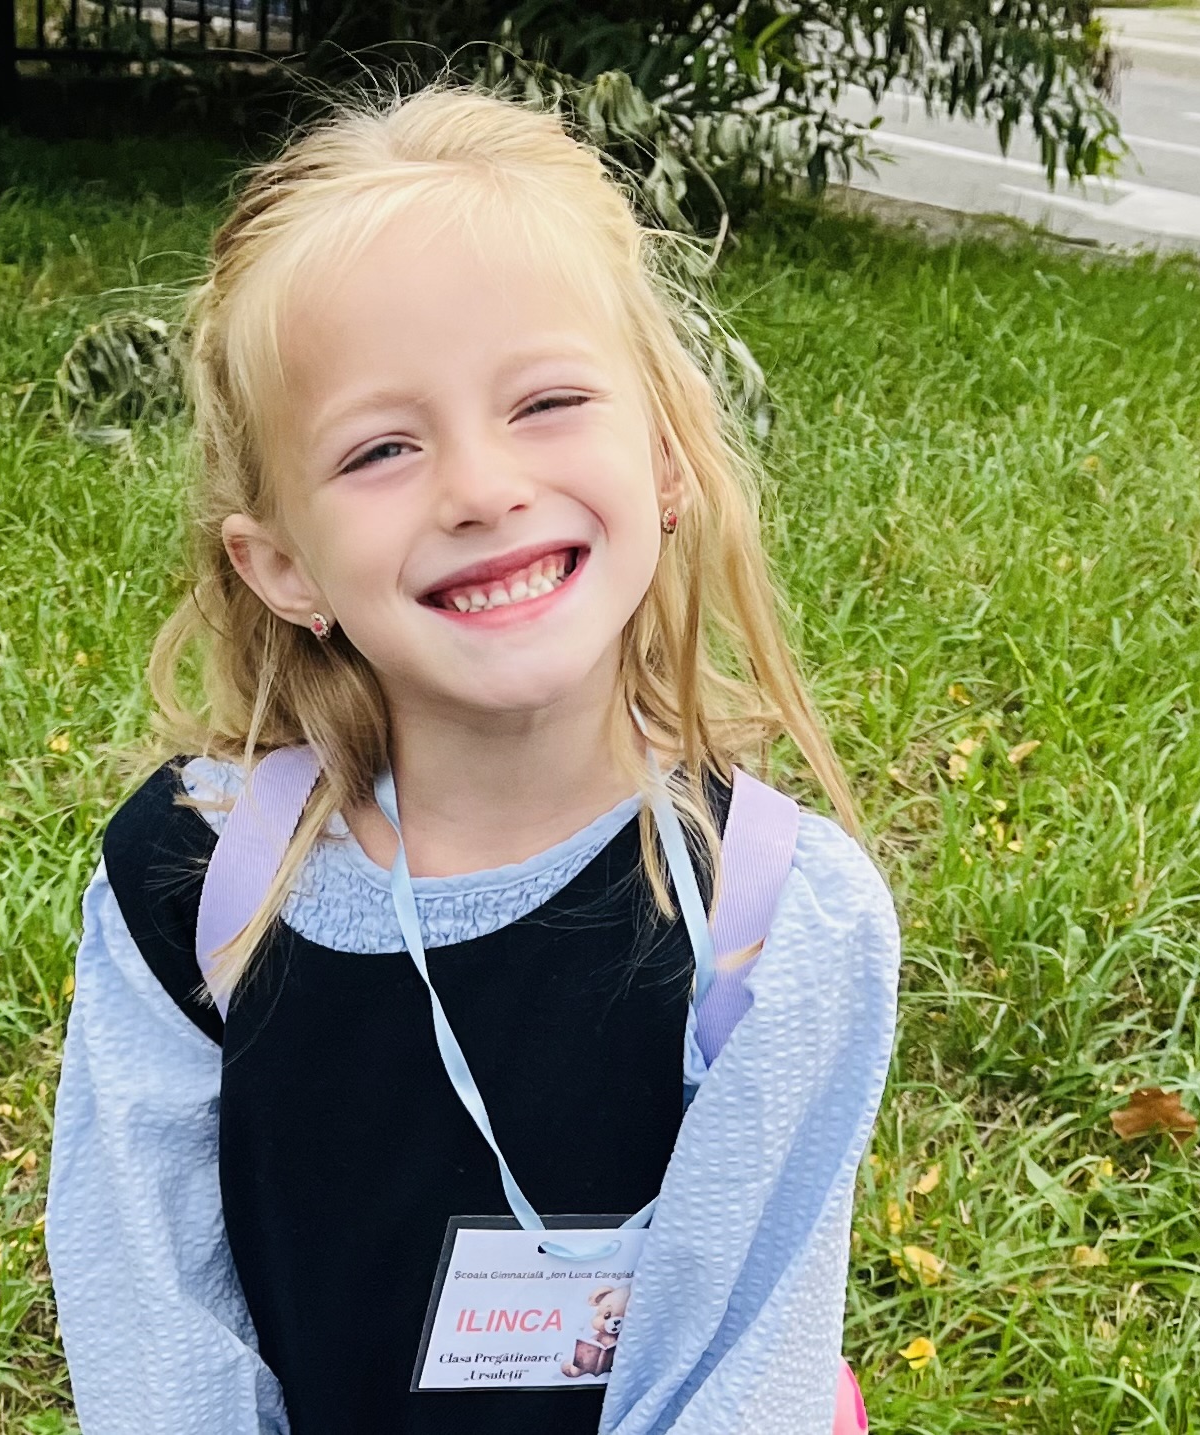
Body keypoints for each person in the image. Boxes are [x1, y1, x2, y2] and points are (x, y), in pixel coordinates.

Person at [45, 76, 900, 1435]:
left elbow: (739, 1373)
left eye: (546, 400)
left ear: (666, 461)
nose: (483, 489)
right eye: (381, 447)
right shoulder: (190, 884)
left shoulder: (780, 922)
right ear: (282, 567)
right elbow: (158, 1330)